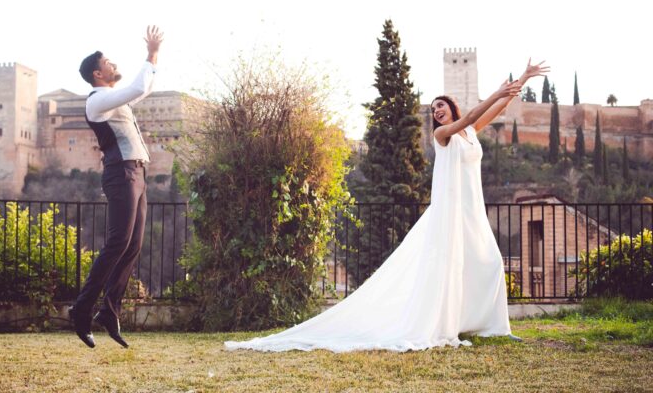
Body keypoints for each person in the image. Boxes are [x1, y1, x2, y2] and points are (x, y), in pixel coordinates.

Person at [226, 59, 549, 353]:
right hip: (448, 212)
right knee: (450, 269)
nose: (436, 111)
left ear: (451, 107)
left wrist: (522, 77)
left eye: (441, 106)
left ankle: (495, 328)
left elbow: (499, 108)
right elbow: (474, 114)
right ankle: (449, 325)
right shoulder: (443, 134)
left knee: (488, 262)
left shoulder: (468, 133)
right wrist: (493, 93)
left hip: (471, 210)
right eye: (433, 108)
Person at [69, 25, 164, 348]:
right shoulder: (97, 101)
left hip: (137, 173)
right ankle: (81, 310)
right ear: (98, 73)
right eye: (108, 62)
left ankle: (109, 311)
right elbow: (137, 87)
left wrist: (154, 60)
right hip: (120, 174)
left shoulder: (111, 99)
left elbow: (143, 89)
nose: (113, 64)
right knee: (117, 242)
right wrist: (150, 54)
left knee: (133, 244)